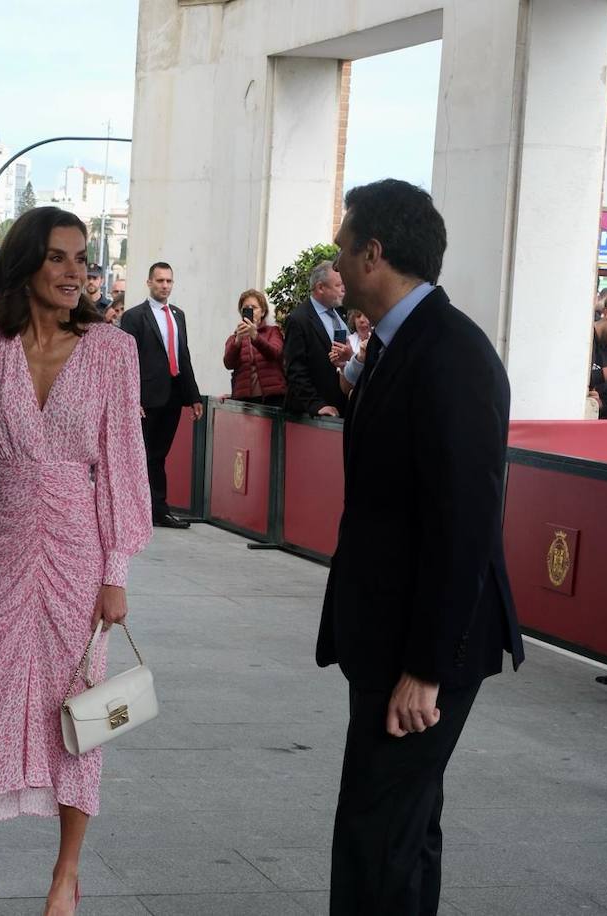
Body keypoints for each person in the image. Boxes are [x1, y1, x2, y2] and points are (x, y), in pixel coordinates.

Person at [0, 206, 151, 916]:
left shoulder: (113, 350)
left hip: (77, 559)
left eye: (82, 259)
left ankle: (66, 876)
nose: (74, 272)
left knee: (80, 716)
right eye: (58, 257)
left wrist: (116, 568)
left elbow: (123, 464)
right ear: (25, 263)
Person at [317, 179, 524, 914]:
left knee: (377, 837)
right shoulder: (400, 344)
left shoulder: (451, 354)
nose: (335, 260)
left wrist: (426, 671)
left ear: (375, 253)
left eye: (344, 246)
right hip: (390, 637)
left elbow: (465, 525)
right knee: (401, 830)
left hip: (425, 652)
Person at [119, 262, 203, 529]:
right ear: (149, 283)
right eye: (159, 281)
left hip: (173, 396)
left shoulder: (178, 315)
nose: (164, 286)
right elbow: (128, 360)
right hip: (146, 398)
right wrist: (133, 398)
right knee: (142, 455)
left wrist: (194, 396)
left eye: (168, 281)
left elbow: (183, 356)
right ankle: (139, 510)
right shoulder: (134, 316)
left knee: (159, 455)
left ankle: (159, 510)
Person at [283, 260, 349, 417]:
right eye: (338, 285)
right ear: (320, 287)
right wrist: (316, 405)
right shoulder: (299, 319)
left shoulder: (340, 314)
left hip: (341, 410)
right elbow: (295, 370)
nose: (343, 290)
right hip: (311, 416)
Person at [222, 288, 286, 406]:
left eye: (254, 307)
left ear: (262, 312)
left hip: (272, 398)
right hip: (245, 400)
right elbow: (228, 363)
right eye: (246, 308)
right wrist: (237, 341)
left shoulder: (273, 332)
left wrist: (255, 336)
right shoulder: (235, 337)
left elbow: (275, 353)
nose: (250, 310)